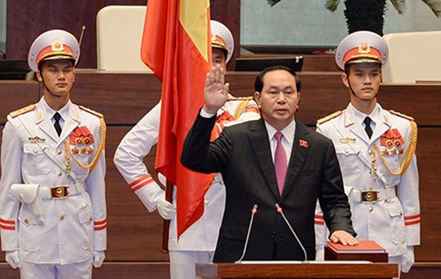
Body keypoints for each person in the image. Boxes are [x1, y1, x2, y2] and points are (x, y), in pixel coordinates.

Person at [113, 20, 259, 279]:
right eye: (205, 58)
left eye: (218, 59)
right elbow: (126, 153)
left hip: (233, 224)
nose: (212, 67)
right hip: (186, 226)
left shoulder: (244, 110)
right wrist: (155, 197)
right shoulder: (172, 108)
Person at [181, 64, 358, 263]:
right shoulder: (236, 137)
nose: (281, 99)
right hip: (241, 254)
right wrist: (209, 111)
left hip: (296, 253)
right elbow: (193, 159)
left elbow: (334, 199)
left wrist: (341, 228)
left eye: (289, 92)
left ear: (298, 98)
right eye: (273, 92)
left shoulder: (319, 146)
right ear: (257, 98)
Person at [0, 29, 107, 279]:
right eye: (53, 69)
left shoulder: (91, 123)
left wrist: (99, 237)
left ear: (74, 74)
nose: (61, 76)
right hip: (36, 230)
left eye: (67, 69)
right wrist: (9, 240)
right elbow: (8, 187)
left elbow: (96, 185)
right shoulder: (19, 125)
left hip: (76, 230)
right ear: (39, 75)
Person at [316, 31, 420, 274]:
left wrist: (411, 241)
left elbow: (409, 187)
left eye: (374, 74)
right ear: (345, 79)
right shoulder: (329, 128)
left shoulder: (402, 126)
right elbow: (323, 188)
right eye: (359, 74)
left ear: (381, 78)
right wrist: (320, 239)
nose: (367, 81)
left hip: (389, 226)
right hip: (347, 225)